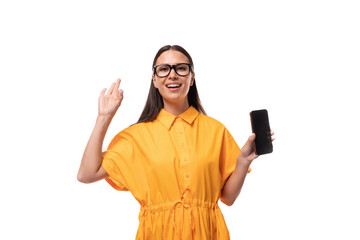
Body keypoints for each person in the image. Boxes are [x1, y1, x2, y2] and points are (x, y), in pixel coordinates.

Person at [77, 45, 275, 239]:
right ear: (154, 80)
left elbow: (228, 198)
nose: (172, 75)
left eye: (181, 68)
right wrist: (104, 117)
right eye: (163, 69)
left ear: (192, 77)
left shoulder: (216, 130)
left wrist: (243, 161)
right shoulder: (134, 137)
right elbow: (86, 174)